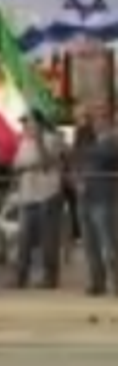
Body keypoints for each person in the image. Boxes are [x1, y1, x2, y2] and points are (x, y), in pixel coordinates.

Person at [12, 112, 66, 290]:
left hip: (47, 195)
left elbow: (47, 164)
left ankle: (50, 278)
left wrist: (39, 141)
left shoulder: (52, 139)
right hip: (28, 196)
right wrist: (25, 167)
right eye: (24, 123)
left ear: (40, 124)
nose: (25, 126)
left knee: (48, 240)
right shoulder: (23, 142)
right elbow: (16, 165)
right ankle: (21, 277)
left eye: (29, 122)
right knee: (23, 239)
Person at [74, 108, 118, 296]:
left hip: (104, 199)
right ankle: (96, 282)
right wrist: (76, 178)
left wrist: (81, 149)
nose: (96, 122)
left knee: (109, 244)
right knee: (89, 244)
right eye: (94, 119)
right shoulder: (89, 141)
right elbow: (77, 161)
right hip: (85, 198)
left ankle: (116, 282)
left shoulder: (112, 141)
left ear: (109, 121)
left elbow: (100, 155)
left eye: (101, 118)